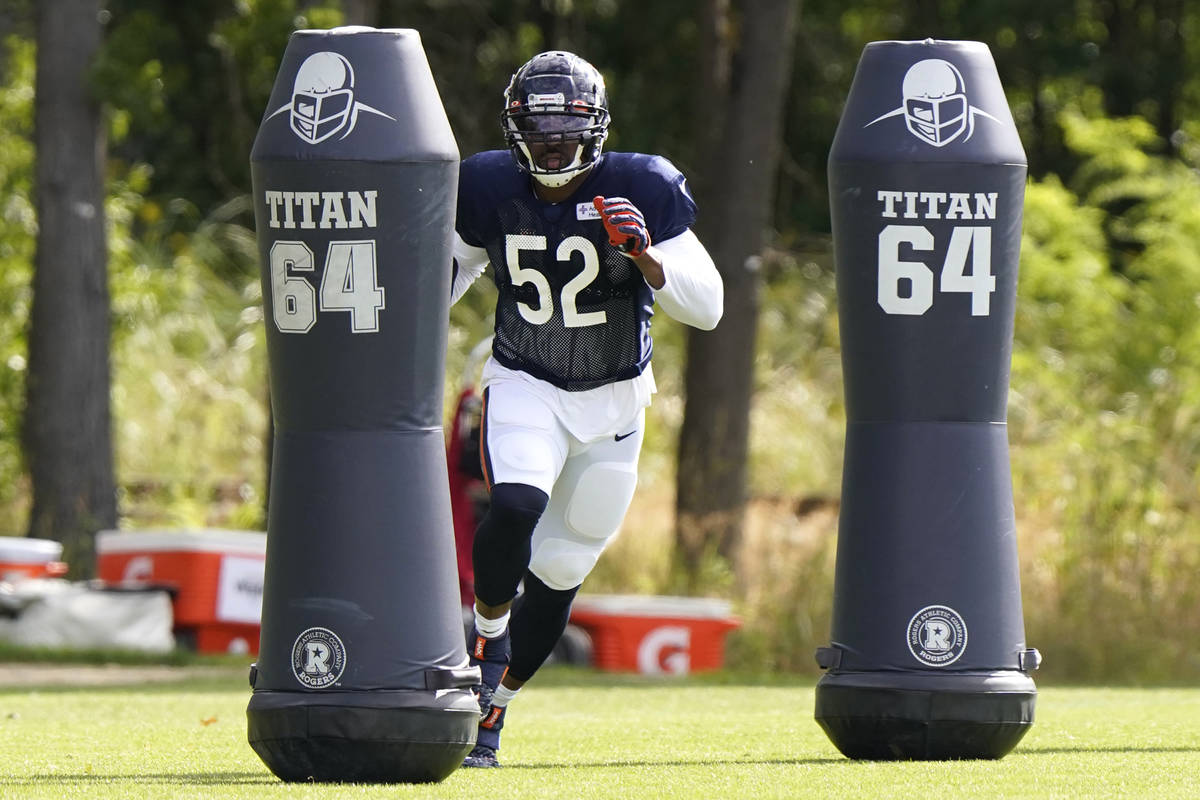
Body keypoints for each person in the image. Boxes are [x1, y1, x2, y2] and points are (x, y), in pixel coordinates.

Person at [449, 50, 723, 768]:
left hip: (614, 402)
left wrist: (645, 256)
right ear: (515, 131)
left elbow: (709, 305)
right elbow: (448, 269)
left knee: (563, 569)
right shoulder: (486, 186)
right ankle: (485, 633)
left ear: (595, 128)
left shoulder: (642, 185)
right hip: (525, 379)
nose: (550, 144)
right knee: (514, 502)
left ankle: (495, 710)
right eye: (536, 131)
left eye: (563, 131)